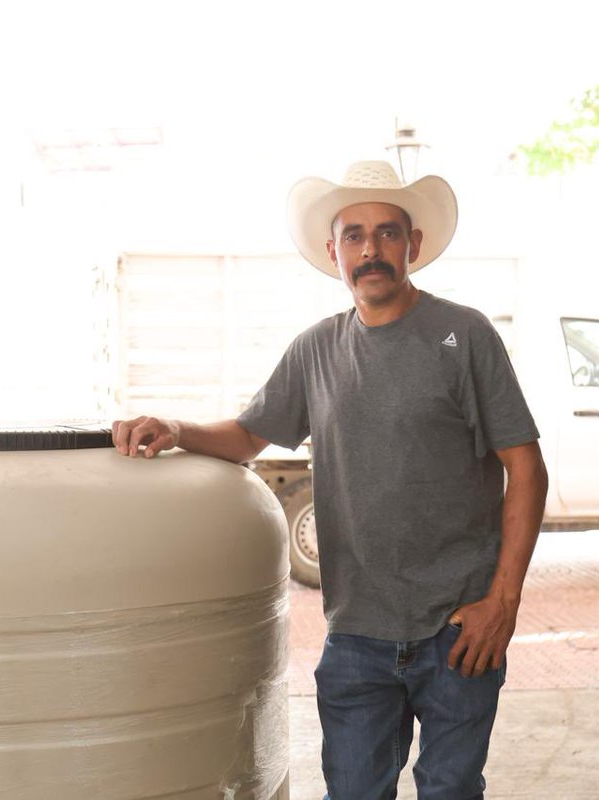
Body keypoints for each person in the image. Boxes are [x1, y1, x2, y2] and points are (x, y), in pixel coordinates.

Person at [112, 160, 548, 800]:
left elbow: (526, 467)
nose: (371, 250)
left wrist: (503, 603)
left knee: (451, 790)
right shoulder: (315, 349)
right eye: (354, 236)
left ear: (414, 246)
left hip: (458, 629)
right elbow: (247, 435)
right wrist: (175, 426)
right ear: (333, 251)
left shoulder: (465, 334)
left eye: (388, 234)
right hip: (357, 637)